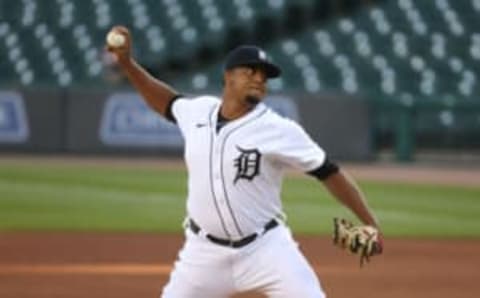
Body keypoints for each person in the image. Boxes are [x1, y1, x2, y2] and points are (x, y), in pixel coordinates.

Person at [106, 26, 383, 298]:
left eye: (264, 75)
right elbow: (166, 101)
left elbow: (329, 172)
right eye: (250, 71)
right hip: (203, 255)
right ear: (228, 76)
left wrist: (370, 223)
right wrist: (128, 64)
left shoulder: (278, 128)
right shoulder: (198, 111)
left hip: (266, 249)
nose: (259, 79)